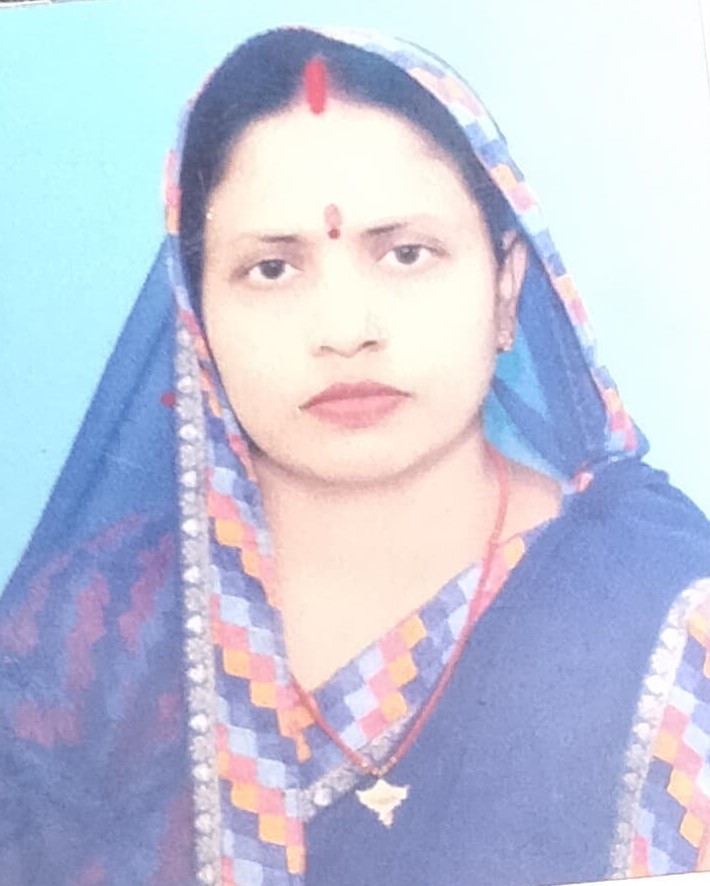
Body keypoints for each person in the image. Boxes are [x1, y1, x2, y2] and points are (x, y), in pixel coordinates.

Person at [1, 24, 710, 886]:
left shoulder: (668, 625)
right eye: (272, 268)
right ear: (196, 315)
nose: (344, 331)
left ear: (505, 290)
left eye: (407, 254)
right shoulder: (90, 623)